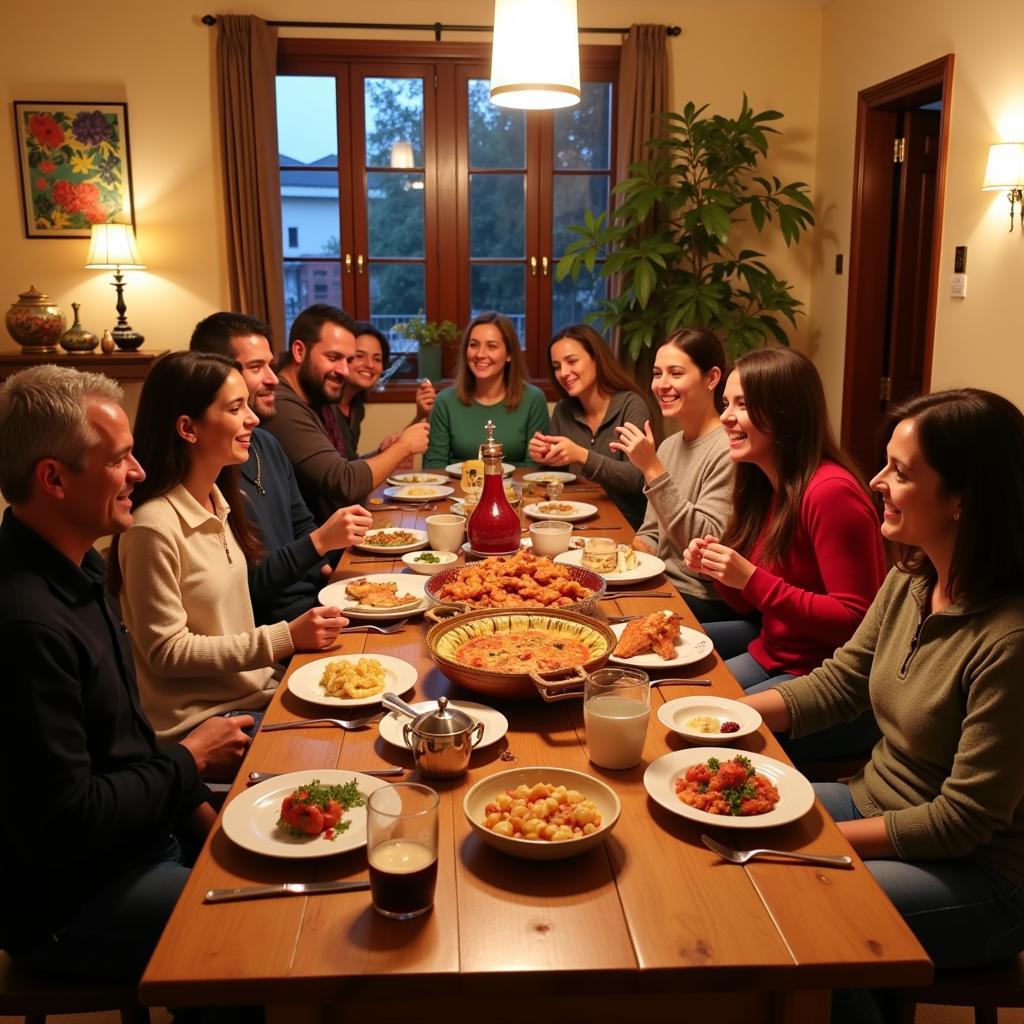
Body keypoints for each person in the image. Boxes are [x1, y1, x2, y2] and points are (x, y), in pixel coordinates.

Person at [744, 389, 1024, 1008]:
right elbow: (841, 682)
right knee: (728, 828)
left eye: (900, 472)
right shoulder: (911, 577)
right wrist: (728, 714)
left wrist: (825, 840)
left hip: (979, 875)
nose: (874, 481)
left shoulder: (1009, 641)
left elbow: (962, 822)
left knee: (810, 905)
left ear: (962, 499)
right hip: (872, 802)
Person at [0, 365, 249, 983]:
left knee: (297, 859)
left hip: (144, 834)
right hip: (72, 900)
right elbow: (68, 822)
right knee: (256, 932)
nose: (138, 473)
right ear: (53, 478)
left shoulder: (78, 570)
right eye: (118, 460)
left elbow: (130, 739)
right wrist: (189, 763)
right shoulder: (26, 624)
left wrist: (203, 814)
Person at [111, 351, 345, 744]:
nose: (252, 418)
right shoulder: (153, 526)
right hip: (206, 722)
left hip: (255, 692)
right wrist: (284, 637)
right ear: (188, 428)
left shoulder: (218, 499)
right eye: (236, 408)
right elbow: (167, 653)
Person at [684, 348, 886, 755]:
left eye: (743, 405)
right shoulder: (762, 483)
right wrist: (719, 572)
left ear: (785, 414)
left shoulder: (830, 492)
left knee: (700, 734)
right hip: (774, 651)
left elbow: (857, 621)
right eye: (727, 403)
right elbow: (747, 606)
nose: (725, 417)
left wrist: (751, 579)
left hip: (826, 679)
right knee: (677, 697)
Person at [190, 312, 373, 624]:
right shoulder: (207, 468)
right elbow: (243, 589)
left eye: (269, 365)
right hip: (277, 631)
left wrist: (332, 574)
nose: (274, 378)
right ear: (216, 372)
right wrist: (320, 543)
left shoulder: (266, 444)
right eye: (256, 367)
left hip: (315, 602)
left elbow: (301, 524)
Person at [609, 328, 735, 620]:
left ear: (712, 378)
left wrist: (651, 469)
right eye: (656, 373)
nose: (661, 384)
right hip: (663, 582)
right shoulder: (668, 446)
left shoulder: (728, 449)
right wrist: (622, 562)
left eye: (675, 373)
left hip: (702, 596)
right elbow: (653, 532)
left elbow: (704, 544)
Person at [264, 304, 430, 521]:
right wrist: (403, 447)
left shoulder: (316, 399)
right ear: (299, 351)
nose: (344, 370)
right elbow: (344, 482)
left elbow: (346, 464)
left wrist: (384, 451)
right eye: (333, 357)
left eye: (348, 360)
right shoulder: (282, 405)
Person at [527, 323, 650, 528]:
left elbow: (638, 479)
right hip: (574, 521)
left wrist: (582, 455)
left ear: (596, 359)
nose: (564, 373)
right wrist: (545, 457)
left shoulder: (631, 405)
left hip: (625, 525)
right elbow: (558, 479)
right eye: (557, 367)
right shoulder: (563, 410)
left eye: (572, 361)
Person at [424, 311, 549, 468]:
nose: (480, 354)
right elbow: (434, 468)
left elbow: (535, 468)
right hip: (459, 490)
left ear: (509, 354)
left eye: (492, 346)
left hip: (515, 491)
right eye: (474, 345)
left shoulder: (533, 399)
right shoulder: (445, 401)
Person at [339, 320, 436, 456]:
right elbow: (342, 474)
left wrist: (420, 416)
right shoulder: (325, 409)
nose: (370, 365)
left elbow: (353, 467)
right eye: (359, 356)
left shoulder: (355, 407)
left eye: (377, 359)